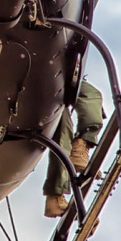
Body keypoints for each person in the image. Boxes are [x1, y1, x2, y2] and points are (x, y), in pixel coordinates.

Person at [43, 79, 105, 217]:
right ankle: (55, 196)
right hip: (31, 82)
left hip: (57, 75)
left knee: (91, 95)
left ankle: (81, 147)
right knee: (61, 125)